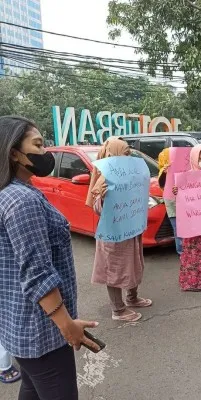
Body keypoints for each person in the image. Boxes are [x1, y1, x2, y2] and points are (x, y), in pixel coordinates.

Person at [0, 116, 100, 400]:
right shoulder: (22, 201)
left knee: (32, 388)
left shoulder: (14, 192)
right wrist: (67, 326)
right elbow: (38, 273)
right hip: (41, 332)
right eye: (38, 144)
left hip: (19, 325)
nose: (46, 152)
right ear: (14, 152)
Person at [86, 137, 152, 323]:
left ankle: (132, 298)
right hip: (114, 235)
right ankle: (118, 309)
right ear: (113, 154)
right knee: (113, 270)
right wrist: (104, 199)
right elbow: (97, 208)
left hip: (130, 231)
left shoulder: (131, 174)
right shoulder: (105, 177)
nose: (128, 156)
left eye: (128, 153)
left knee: (133, 264)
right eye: (124, 153)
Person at [173, 144, 201, 292]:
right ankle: (191, 282)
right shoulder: (186, 177)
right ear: (194, 159)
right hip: (191, 223)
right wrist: (177, 191)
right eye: (200, 158)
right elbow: (181, 199)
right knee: (191, 251)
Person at [157, 148, 182, 256]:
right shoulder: (164, 170)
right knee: (177, 228)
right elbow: (161, 184)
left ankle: (187, 251)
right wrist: (165, 172)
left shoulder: (182, 168)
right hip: (172, 202)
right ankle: (181, 251)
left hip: (183, 202)